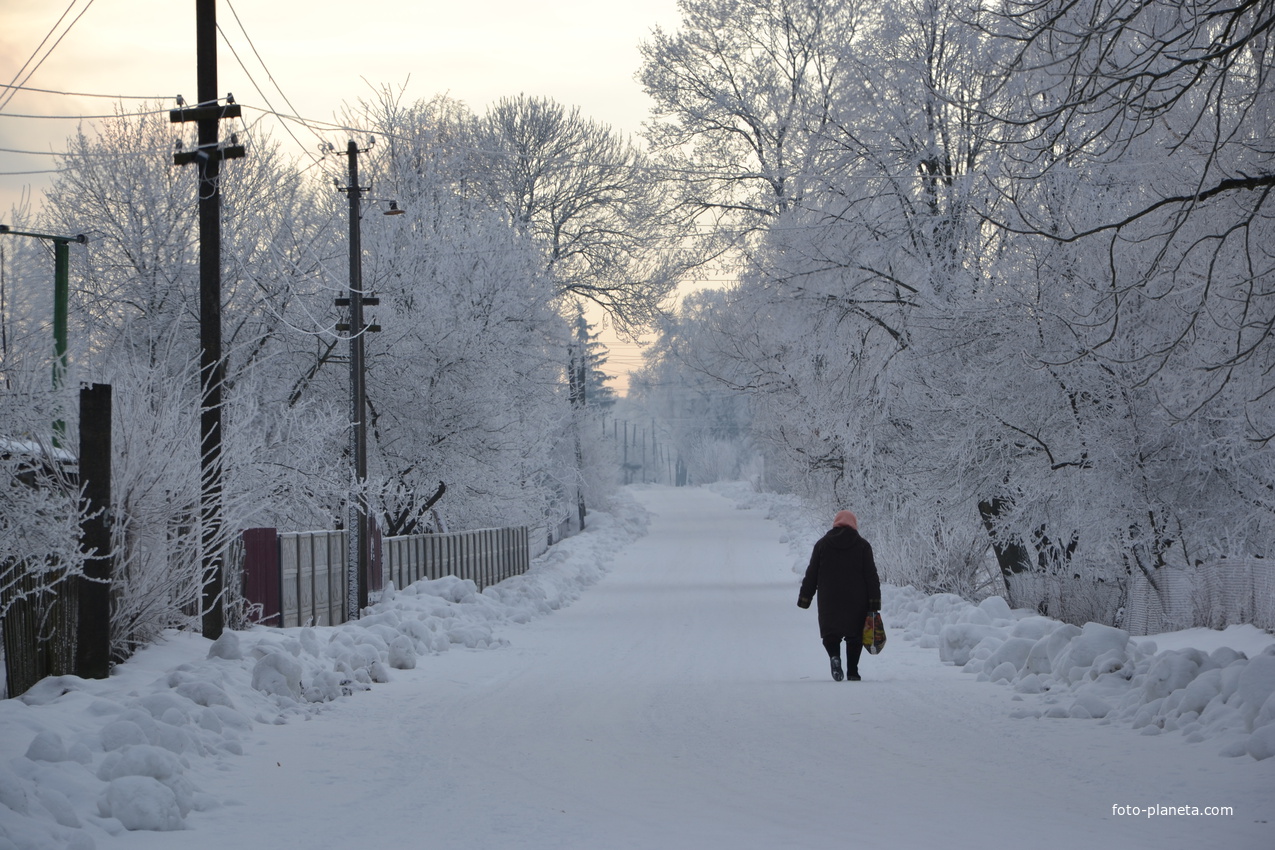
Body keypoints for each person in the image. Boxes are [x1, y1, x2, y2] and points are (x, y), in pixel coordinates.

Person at [797, 510, 881, 681]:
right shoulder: (863, 546)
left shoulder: (822, 544)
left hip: (829, 598)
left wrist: (805, 598)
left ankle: (835, 657)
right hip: (857, 599)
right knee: (855, 635)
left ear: (835, 523)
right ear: (854, 524)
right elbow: (871, 576)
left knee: (830, 634)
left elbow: (812, 573)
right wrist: (874, 602)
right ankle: (852, 672)